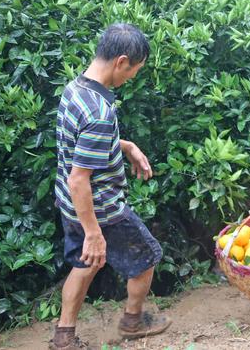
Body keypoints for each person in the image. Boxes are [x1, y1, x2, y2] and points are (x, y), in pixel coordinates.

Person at [49, 24, 171, 349]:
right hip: (101, 210)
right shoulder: (100, 112)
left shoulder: (75, 89)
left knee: (84, 264)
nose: (132, 77)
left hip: (71, 204)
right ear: (121, 62)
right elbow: (80, 178)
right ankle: (132, 321)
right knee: (146, 258)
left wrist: (125, 146)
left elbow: (82, 147)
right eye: (135, 70)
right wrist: (93, 231)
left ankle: (64, 335)